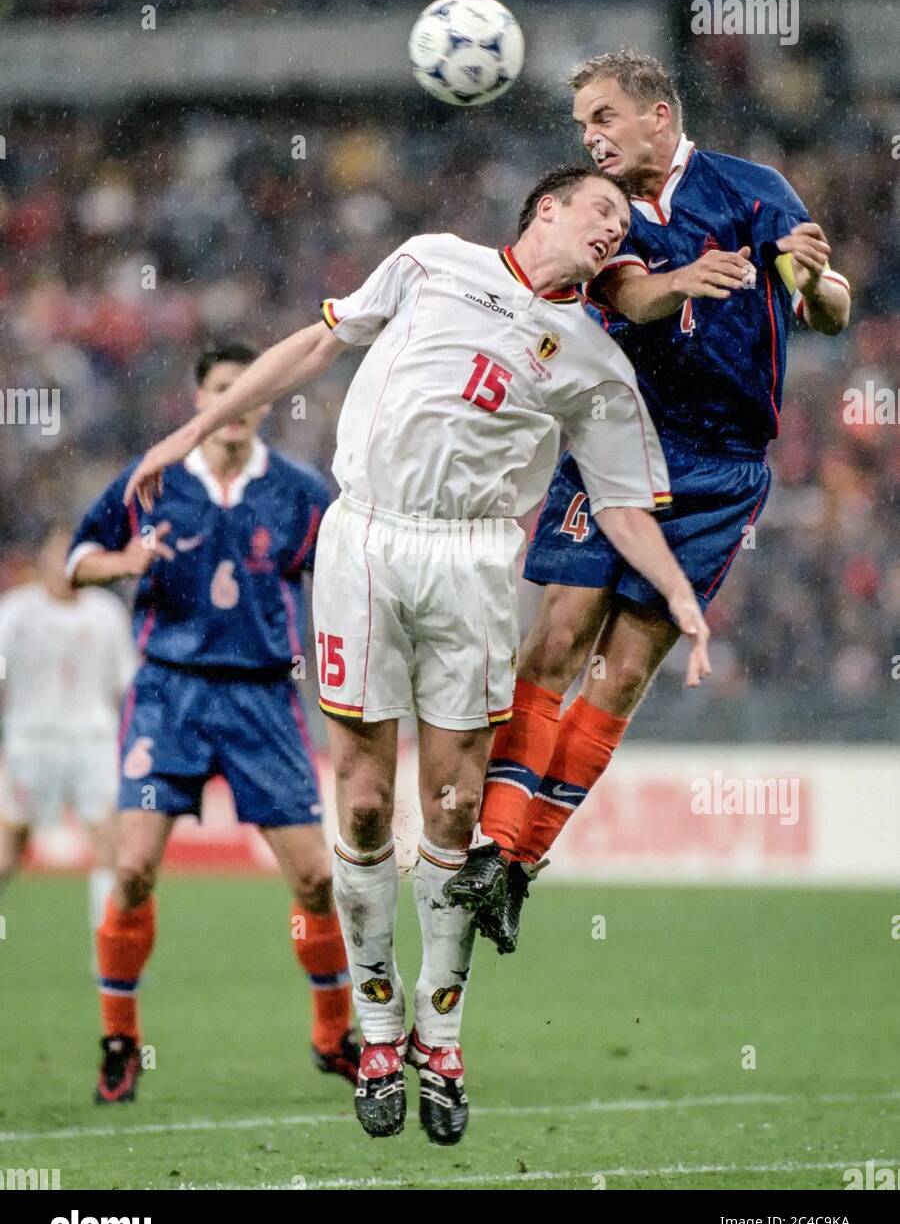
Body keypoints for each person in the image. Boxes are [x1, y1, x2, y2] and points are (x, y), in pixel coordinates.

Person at [124, 167, 710, 1144]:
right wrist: (197, 426)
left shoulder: (597, 361)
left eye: (628, 222)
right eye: (603, 211)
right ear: (548, 209)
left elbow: (618, 505)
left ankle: (443, 1034)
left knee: (450, 809)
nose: (617, 228)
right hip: (366, 537)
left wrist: (685, 597)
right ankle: (378, 1023)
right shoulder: (433, 261)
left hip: (476, 560)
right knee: (359, 803)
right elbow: (320, 339)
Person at [446, 49, 851, 954]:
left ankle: (519, 867)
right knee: (556, 638)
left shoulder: (752, 190)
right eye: (583, 123)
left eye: (602, 117)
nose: (590, 137)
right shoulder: (608, 215)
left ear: (657, 116)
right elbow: (627, 293)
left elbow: (826, 304)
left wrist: (813, 282)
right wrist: (685, 281)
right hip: (615, 442)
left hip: (725, 467)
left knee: (623, 675)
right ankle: (489, 843)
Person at [68, 344, 357, 1103]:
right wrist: (125, 561)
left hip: (264, 701)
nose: (236, 402)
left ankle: (334, 1036)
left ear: (261, 401)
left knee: (317, 878)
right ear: (199, 399)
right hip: (170, 697)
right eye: (222, 388)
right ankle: (120, 1040)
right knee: (131, 870)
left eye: (248, 390)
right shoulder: (152, 480)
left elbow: (342, 580)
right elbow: (78, 560)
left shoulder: (297, 492)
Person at [0, 523, 135, 942]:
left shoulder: (106, 613)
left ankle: (108, 948)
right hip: (30, 741)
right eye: (59, 555)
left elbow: (125, 685)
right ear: (42, 560)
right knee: (9, 847)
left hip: (93, 743)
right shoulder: (16, 611)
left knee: (109, 843)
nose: (66, 565)